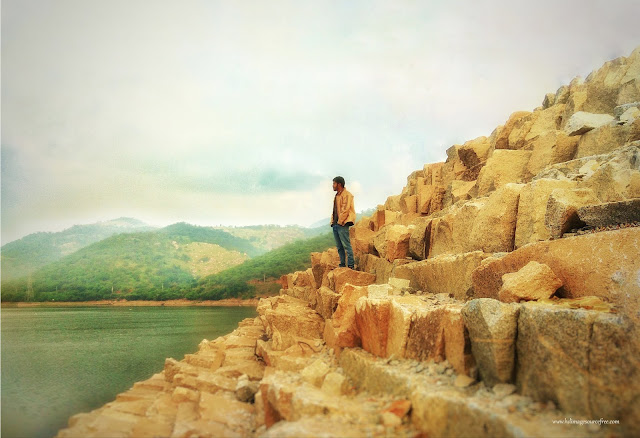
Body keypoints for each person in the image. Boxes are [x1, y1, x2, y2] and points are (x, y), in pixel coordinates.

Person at [331, 176, 356, 269]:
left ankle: (350, 266)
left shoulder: (347, 195)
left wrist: (340, 222)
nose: (332, 186)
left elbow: (345, 210)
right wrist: (333, 222)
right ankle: (342, 264)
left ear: (339, 184)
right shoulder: (337, 195)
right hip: (336, 224)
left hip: (343, 223)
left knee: (346, 245)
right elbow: (334, 210)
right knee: (339, 246)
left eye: (334, 183)